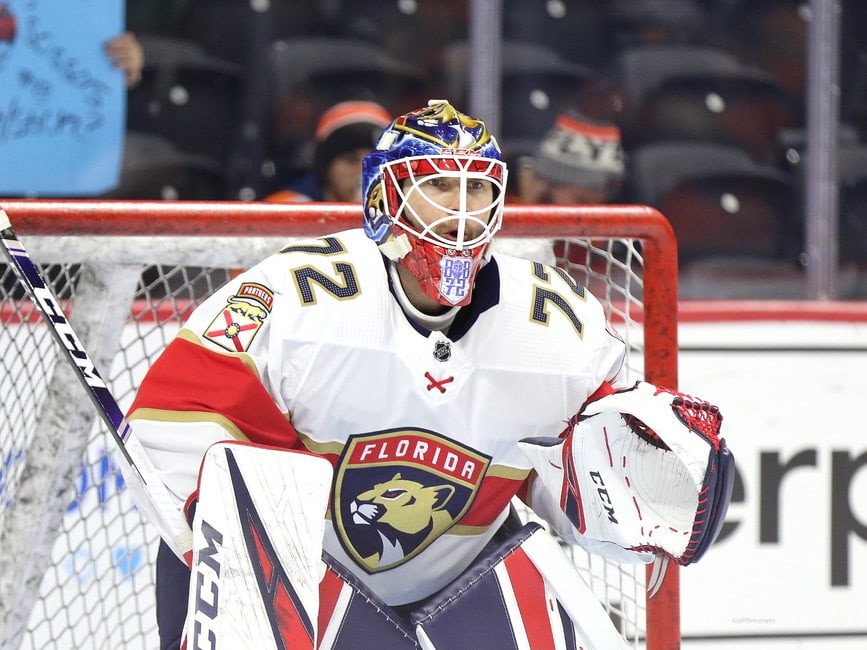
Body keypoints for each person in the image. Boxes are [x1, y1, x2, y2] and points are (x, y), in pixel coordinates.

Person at [126, 100, 732, 649]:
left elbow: (573, 486)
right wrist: (243, 555)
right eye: (439, 186)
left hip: (460, 578)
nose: (461, 211)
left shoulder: (559, 327)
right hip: (300, 574)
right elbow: (172, 428)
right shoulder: (297, 298)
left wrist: (630, 484)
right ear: (384, 199)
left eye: (477, 191)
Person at [266, 100, 393, 203]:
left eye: (377, 161)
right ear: (324, 167)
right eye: (351, 160)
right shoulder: (288, 211)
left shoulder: (409, 213)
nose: (365, 172)